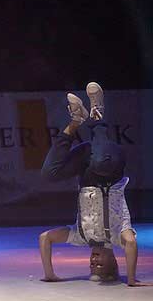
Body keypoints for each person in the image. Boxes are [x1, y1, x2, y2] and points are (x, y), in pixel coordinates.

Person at [39, 82, 150, 287]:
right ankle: (98, 114)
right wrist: (131, 279)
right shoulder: (118, 236)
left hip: (87, 169)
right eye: (100, 265)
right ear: (113, 262)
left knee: (49, 174)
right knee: (101, 163)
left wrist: (49, 274)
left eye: (92, 265)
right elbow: (131, 243)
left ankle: (76, 120)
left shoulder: (79, 237)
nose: (93, 261)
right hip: (111, 165)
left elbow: (45, 238)